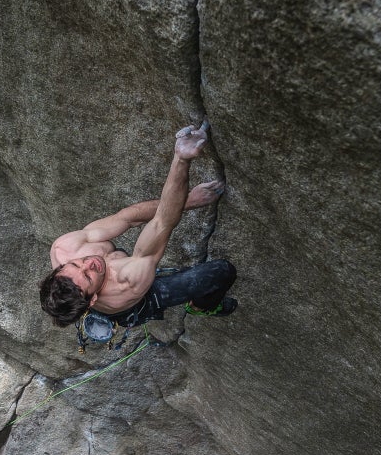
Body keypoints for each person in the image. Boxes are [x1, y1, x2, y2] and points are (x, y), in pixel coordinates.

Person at [40, 121, 238, 329]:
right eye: (88, 276)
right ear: (92, 300)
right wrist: (181, 159)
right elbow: (162, 222)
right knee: (222, 272)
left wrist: (189, 201)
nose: (89, 263)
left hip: (103, 285)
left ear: (60, 268)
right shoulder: (129, 283)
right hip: (135, 302)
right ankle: (201, 306)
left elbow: (127, 217)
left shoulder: (64, 248)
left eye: (75, 265)